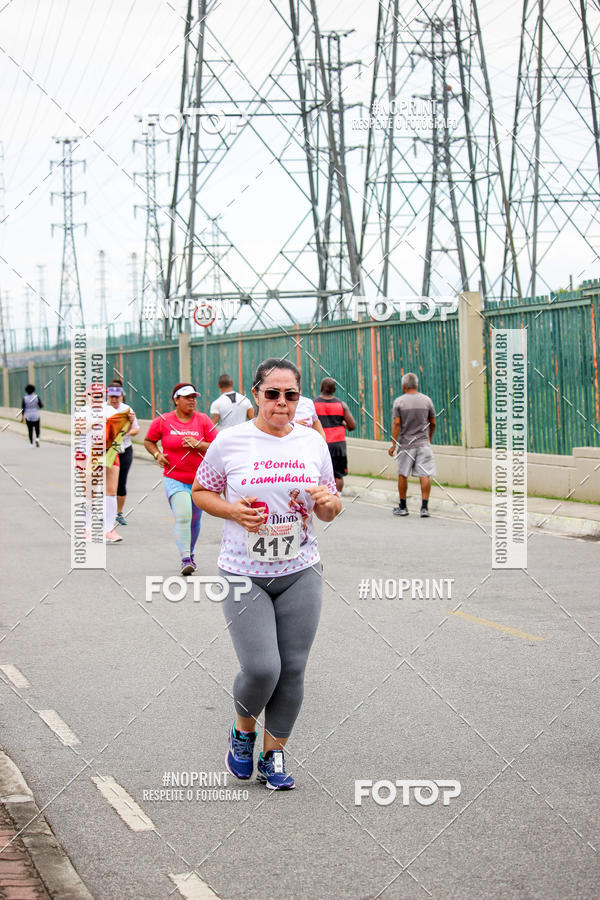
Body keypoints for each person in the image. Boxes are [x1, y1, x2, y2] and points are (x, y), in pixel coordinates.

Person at [192, 357, 341, 791]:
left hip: (300, 568)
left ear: (299, 398)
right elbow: (202, 490)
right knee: (261, 668)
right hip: (244, 571)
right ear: (255, 394)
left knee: (292, 669)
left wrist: (326, 504)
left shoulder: (312, 444)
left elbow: (330, 506)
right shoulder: (230, 441)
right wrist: (231, 510)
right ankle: (242, 733)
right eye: (272, 394)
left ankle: (274, 756)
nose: (281, 403)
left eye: (290, 395)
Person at [144, 383, 217, 575]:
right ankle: (185, 558)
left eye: (194, 397)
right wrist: (157, 455)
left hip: (199, 481)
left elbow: (217, 446)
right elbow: (149, 440)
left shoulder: (203, 420)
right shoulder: (163, 421)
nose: (192, 400)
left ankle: (190, 554)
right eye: (187, 397)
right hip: (174, 477)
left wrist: (199, 444)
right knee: (183, 515)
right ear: (176, 400)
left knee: (194, 520)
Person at [388, 372, 436, 518]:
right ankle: (424, 508)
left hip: (406, 445)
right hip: (423, 443)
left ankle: (403, 507)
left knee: (403, 474)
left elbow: (397, 424)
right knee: (425, 474)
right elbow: (433, 422)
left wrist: (393, 444)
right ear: (416, 384)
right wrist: (429, 437)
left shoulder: (399, 402)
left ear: (403, 386)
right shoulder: (427, 400)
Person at [103, 388, 136, 544]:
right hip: (102, 452)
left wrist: (127, 429)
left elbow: (135, 429)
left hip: (123, 450)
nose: (114, 399)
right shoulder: (104, 410)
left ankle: (116, 515)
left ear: (122, 396)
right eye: (112, 397)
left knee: (118, 486)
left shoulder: (127, 410)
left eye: (117, 397)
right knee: (100, 490)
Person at [314, 377, 356, 492]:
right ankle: (337, 499)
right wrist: (343, 423)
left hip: (320, 444)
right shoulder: (341, 405)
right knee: (338, 475)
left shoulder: (313, 404)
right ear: (334, 390)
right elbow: (352, 425)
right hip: (338, 445)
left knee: (317, 473)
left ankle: (321, 499)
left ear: (321, 388)